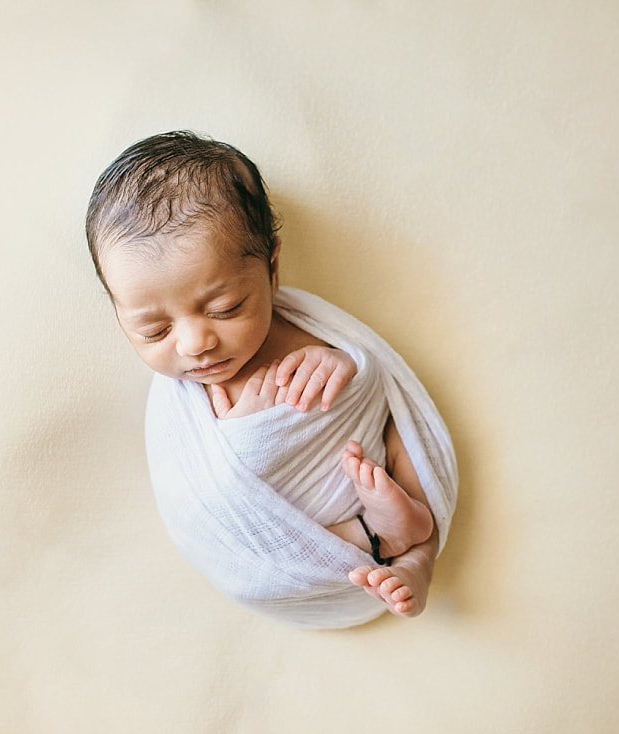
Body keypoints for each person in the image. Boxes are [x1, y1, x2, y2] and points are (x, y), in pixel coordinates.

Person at [86, 130, 446, 618]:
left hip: (370, 467)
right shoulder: (178, 407)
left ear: (272, 269)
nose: (195, 345)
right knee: (279, 546)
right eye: (153, 330)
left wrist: (341, 364)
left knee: (400, 439)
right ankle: (378, 537)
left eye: (226, 307)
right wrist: (252, 430)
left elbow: (373, 379)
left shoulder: (301, 323)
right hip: (298, 533)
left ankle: (415, 556)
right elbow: (202, 498)